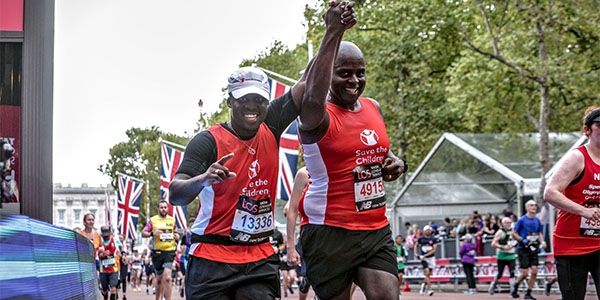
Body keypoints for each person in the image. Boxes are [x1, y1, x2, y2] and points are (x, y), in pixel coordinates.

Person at [167, 3, 357, 298]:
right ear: (230, 101)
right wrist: (203, 178)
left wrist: (334, 30)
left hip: (258, 257)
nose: (253, 107)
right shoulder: (207, 141)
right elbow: (176, 193)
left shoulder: (272, 122)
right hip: (212, 258)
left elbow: (309, 83)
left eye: (259, 100)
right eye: (245, 100)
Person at [294, 4, 407, 297]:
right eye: (344, 73)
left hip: (374, 228)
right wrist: (334, 31)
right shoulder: (315, 115)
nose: (354, 81)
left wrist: (396, 163)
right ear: (328, 74)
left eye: (360, 73)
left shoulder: (373, 108)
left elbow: (383, 155)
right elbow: (311, 92)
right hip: (328, 232)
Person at [543, 105, 600, 300]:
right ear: (587, 130)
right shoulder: (577, 157)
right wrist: (583, 211)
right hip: (571, 245)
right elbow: (550, 192)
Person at [142, 200, 179, 300]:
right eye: (161, 207)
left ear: (168, 209)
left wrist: (177, 236)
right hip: (157, 252)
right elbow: (143, 233)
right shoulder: (153, 220)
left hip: (169, 251)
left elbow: (176, 232)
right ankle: (157, 298)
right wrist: (153, 233)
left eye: (165, 207)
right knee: (159, 279)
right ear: (158, 209)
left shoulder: (172, 220)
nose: (163, 209)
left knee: (167, 277)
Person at [285, 167, 313, 300]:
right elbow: (288, 210)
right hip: (308, 237)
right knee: (307, 278)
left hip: (336, 234)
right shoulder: (304, 175)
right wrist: (290, 247)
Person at [511, 200, 546, 300]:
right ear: (527, 208)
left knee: (534, 271)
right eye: (531, 205)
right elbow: (514, 233)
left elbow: (539, 233)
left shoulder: (537, 220)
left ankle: (528, 293)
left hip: (533, 248)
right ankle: (516, 286)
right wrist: (522, 240)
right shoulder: (522, 220)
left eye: (535, 205)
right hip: (523, 249)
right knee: (525, 273)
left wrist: (542, 241)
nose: (534, 207)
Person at [488, 217, 518, 296]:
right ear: (503, 224)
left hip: (511, 255)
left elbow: (516, 239)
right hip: (502, 256)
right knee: (500, 274)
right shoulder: (500, 232)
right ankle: (493, 285)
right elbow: (493, 243)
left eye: (510, 222)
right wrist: (502, 247)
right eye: (507, 223)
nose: (509, 224)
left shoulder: (513, 231)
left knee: (512, 273)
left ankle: (513, 291)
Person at [415, 225, 438, 296]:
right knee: (427, 272)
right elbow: (416, 245)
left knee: (428, 275)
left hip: (431, 258)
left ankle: (423, 285)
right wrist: (415, 253)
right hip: (423, 258)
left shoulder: (433, 239)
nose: (428, 231)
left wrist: (426, 255)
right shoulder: (421, 239)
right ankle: (430, 289)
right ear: (424, 231)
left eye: (429, 230)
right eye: (426, 230)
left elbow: (434, 250)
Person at [98, 226, 120, 300]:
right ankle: (105, 296)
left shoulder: (115, 240)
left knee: (113, 289)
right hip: (103, 270)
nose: (106, 237)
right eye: (104, 236)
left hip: (113, 269)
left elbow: (121, 248)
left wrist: (123, 256)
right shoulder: (99, 242)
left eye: (107, 235)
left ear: (110, 233)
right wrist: (102, 254)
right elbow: (97, 254)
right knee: (105, 290)